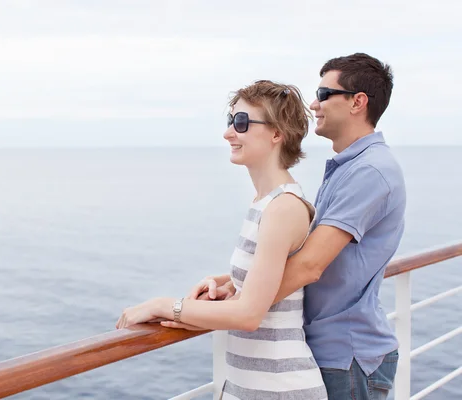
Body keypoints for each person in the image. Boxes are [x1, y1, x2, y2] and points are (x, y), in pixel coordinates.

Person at [176, 53, 406, 400]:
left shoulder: (369, 171)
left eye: (325, 94)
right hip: (332, 349)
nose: (314, 104)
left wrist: (231, 302)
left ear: (358, 102)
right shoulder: (349, 167)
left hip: (347, 354)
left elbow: (309, 265)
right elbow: (302, 253)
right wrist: (234, 283)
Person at [116, 80, 328, 399]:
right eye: (230, 122)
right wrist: (229, 284)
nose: (229, 133)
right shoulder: (265, 203)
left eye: (241, 122)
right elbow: (258, 292)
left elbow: (248, 314)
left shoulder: (283, 207)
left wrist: (165, 306)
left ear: (276, 133)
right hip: (251, 386)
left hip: (279, 389)